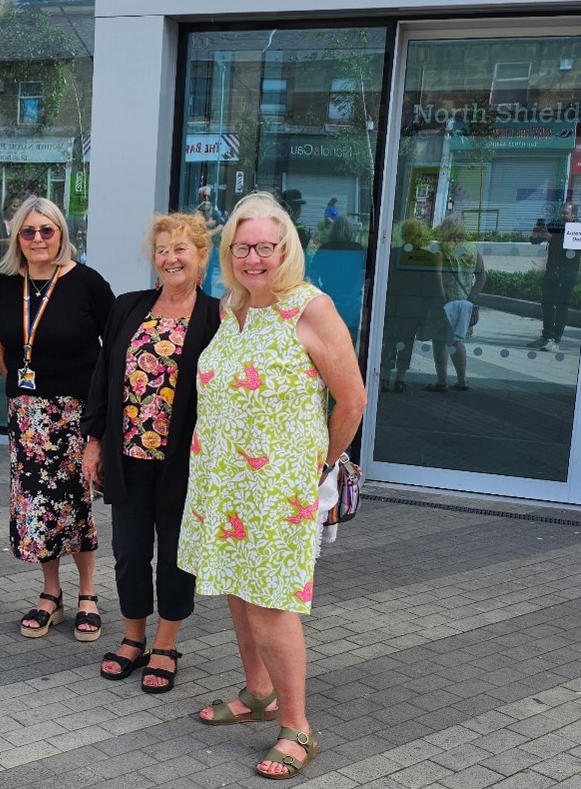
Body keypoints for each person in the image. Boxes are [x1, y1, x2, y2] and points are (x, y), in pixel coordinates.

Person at [178, 191, 366, 781]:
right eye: (243, 247)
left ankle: (297, 727)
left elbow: (352, 399)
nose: (254, 257)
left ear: (286, 249)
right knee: (238, 591)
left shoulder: (309, 307)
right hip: (222, 482)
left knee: (270, 605)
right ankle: (257, 695)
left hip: (274, 490)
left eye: (265, 247)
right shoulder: (235, 306)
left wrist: (320, 465)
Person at [81, 213, 221, 693]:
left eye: (181, 249)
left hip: (186, 463)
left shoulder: (218, 317)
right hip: (128, 458)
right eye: (163, 249)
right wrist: (94, 442)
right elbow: (102, 381)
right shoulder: (128, 308)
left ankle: (166, 644)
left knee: (177, 557)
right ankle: (133, 638)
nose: (170, 258)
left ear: (202, 257)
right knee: (129, 553)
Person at [0, 198, 115, 640]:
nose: (38, 239)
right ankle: (50, 594)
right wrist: (21, 388)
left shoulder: (87, 283)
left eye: (47, 230)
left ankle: (87, 594)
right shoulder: (3, 284)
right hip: (27, 415)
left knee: (76, 504)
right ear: (16, 237)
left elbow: (113, 346)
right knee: (37, 506)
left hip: (75, 414)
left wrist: (99, 411)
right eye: (29, 231)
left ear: (62, 233)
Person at [379, 218, 442, 393]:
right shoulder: (428, 257)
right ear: (420, 236)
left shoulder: (391, 254)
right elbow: (432, 288)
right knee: (406, 342)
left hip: (392, 306)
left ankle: (384, 378)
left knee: (389, 341)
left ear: (403, 234)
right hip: (415, 310)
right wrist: (430, 310)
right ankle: (400, 380)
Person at [428, 220, 486, 391]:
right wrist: (471, 298)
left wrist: (442, 297)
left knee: (439, 340)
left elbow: (437, 275)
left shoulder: (440, 248)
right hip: (463, 303)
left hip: (444, 302)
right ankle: (462, 379)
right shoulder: (472, 249)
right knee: (456, 339)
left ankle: (442, 381)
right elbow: (482, 276)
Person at [529, 202, 581, 352]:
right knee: (547, 304)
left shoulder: (578, 230)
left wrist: (550, 237)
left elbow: (572, 250)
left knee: (561, 306)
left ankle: (556, 340)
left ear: (573, 215)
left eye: (566, 213)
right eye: (562, 213)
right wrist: (536, 232)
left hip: (567, 274)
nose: (563, 216)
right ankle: (546, 336)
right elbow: (535, 240)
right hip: (552, 271)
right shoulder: (556, 225)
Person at [306, 214, 365, 338]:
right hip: (351, 299)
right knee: (349, 337)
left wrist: (321, 292)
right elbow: (362, 276)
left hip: (329, 297)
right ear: (349, 230)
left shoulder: (324, 249)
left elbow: (313, 273)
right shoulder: (357, 249)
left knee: (327, 336)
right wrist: (352, 296)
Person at [0, 194, 23, 264]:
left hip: (16, 262)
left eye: (18, 206)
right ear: (7, 205)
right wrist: (5, 241)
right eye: (13, 205)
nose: (15, 209)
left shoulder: (20, 222)